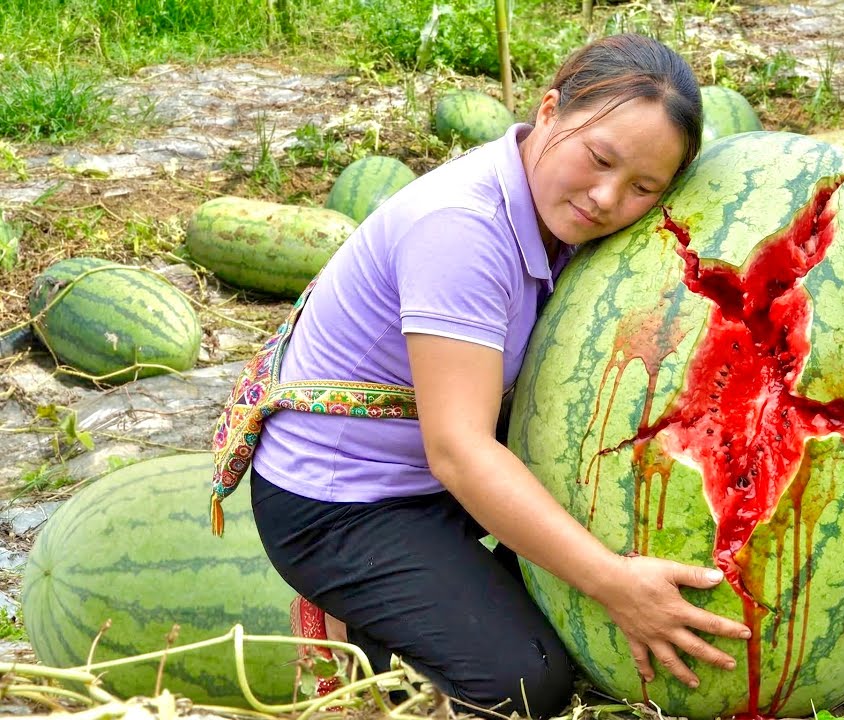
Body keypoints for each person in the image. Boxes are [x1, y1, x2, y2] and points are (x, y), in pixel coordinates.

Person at [245, 33, 752, 719]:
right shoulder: (461, 229)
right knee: (526, 683)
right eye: (598, 158)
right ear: (548, 111)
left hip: (440, 465)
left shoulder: (560, 212)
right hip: (344, 503)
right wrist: (613, 583)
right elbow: (459, 451)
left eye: (643, 188)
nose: (606, 198)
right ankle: (353, 631)